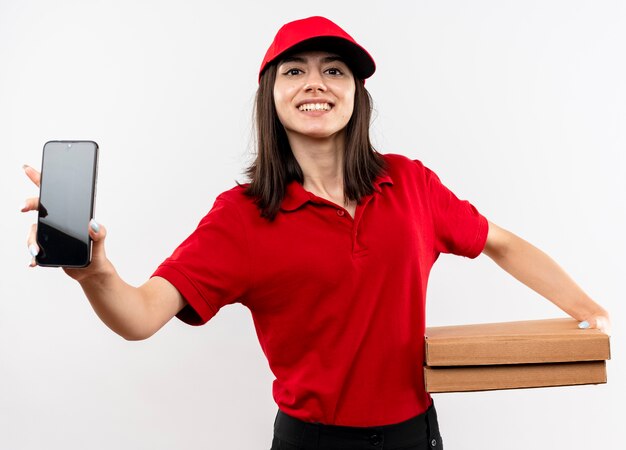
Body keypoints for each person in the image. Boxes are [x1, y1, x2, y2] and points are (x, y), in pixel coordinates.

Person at [22, 16, 610, 450]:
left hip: (416, 434)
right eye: (295, 71)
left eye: (334, 70)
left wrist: (590, 313)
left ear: (357, 95)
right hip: (313, 442)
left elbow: (500, 242)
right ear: (271, 95)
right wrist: (94, 272)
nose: (316, 83)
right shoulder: (242, 215)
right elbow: (142, 315)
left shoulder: (410, 184)